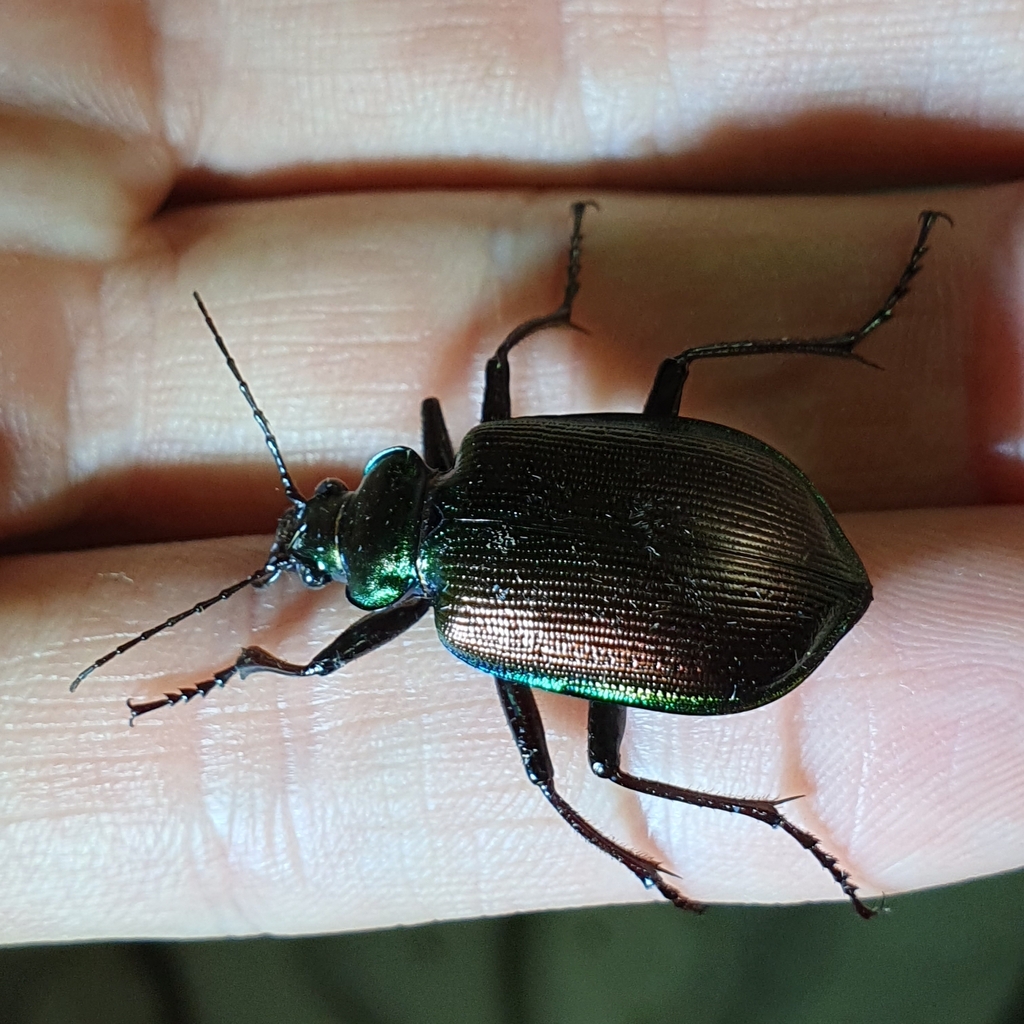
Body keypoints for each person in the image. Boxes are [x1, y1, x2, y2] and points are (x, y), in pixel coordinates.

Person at [1, 0, 1022, 945]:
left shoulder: (459, 588)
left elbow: (312, 663)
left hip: (752, 541)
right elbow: (499, 371)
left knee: (575, 771)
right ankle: (851, 337)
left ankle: (726, 836)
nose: (316, 522)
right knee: (666, 373)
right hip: (744, 528)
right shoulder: (471, 453)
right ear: (370, 489)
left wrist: (247, 664)